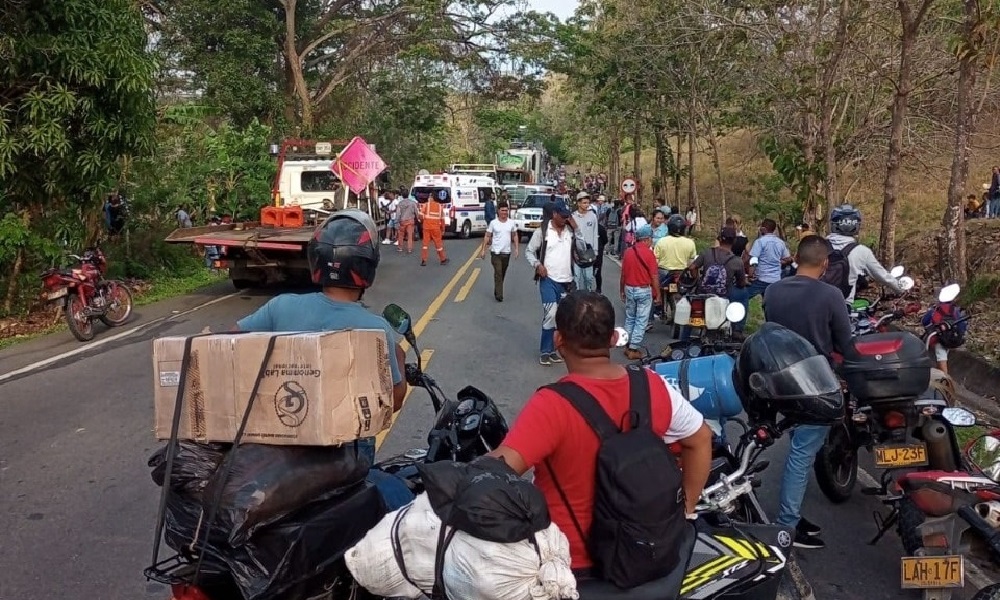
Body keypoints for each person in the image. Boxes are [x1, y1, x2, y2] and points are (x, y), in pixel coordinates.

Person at [486, 290, 713, 572]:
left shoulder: (551, 405)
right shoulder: (653, 385)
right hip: (644, 550)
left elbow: (499, 471)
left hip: (570, 563)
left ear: (558, 340)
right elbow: (701, 438)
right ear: (614, 338)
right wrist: (686, 509)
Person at [235, 210, 413, 510]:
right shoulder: (376, 329)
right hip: (348, 457)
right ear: (367, 267)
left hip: (279, 446)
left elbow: (228, 346)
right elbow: (392, 402)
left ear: (315, 259)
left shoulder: (280, 306)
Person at [762, 234, 853, 549]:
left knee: (798, 446)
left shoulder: (772, 292)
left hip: (778, 383)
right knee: (802, 454)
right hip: (814, 384)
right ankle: (787, 526)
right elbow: (846, 343)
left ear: (796, 259)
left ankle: (792, 518)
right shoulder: (830, 296)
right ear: (825, 263)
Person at [526, 199, 577, 366]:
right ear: (554, 214)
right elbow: (529, 251)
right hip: (548, 280)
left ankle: (555, 350)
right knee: (551, 314)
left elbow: (583, 248)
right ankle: (545, 351)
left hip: (566, 281)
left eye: (566, 216)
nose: (564, 219)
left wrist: (577, 228)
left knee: (561, 318)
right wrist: (537, 264)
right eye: (562, 216)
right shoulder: (542, 231)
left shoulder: (570, 231)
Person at [827, 204, 905, 303]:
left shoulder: (816, 246)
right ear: (856, 225)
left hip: (815, 307)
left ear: (833, 223)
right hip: (843, 308)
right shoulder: (862, 251)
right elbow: (883, 277)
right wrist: (900, 288)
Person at [690, 227, 749, 333]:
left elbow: (692, 268)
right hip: (724, 295)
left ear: (719, 239)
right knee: (743, 295)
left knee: (689, 312)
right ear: (734, 241)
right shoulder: (737, 261)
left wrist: (698, 281)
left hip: (703, 292)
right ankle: (738, 330)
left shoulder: (706, 253)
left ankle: (685, 337)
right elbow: (741, 283)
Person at [620, 225, 660, 360]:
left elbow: (623, 274)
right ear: (647, 239)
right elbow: (654, 276)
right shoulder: (649, 254)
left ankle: (626, 344)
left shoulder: (628, 252)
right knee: (641, 320)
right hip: (643, 289)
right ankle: (633, 348)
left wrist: (622, 290)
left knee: (630, 317)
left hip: (629, 288)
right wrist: (658, 294)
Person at [480, 202, 519, 302]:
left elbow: (514, 235)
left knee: (502, 272)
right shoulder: (493, 223)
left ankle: (497, 289)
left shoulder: (511, 223)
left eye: (506, 210)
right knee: (498, 272)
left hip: (506, 253)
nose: (504, 212)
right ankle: (499, 295)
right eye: (502, 210)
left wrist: (516, 249)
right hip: (495, 252)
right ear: (498, 211)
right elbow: (487, 236)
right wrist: (483, 250)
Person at [747, 218, 791, 301]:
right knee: (770, 301)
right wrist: (779, 261)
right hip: (776, 279)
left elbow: (754, 259)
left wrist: (750, 274)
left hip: (761, 278)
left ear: (763, 229)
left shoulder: (760, 242)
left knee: (744, 296)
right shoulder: (780, 242)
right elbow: (788, 259)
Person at [922, 296, 969, 373]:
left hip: (938, 338)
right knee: (941, 357)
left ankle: (945, 379)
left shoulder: (935, 309)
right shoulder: (955, 310)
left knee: (941, 359)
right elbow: (962, 326)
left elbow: (924, 321)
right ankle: (939, 376)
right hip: (952, 338)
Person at [572, 191, 599, 292]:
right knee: (577, 277)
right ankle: (577, 298)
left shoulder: (592, 216)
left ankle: (588, 294)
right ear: (578, 203)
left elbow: (595, 234)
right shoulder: (573, 217)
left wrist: (595, 252)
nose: (586, 205)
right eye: (584, 203)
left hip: (589, 253)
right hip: (576, 253)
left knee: (588, 278)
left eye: (588, 203)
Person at [418, 190, 450, 267]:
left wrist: (422, 221)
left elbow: (420, 216)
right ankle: (443, 259)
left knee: (425, 244)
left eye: (429, 196)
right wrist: (443, 229)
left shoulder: (426, 205)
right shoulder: (439, 207)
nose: (428, 198)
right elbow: (442, 219)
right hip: (436, 228)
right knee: (438, 245)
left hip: (426, 227)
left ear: (432, 198)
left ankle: (424, 260)